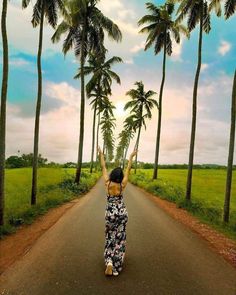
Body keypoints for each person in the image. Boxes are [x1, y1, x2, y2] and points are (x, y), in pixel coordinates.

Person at [98, 146, 137, 276]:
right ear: (120, 177)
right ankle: (116, 264)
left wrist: (101, 155)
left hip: (110, 213)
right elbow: (128, 170)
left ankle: (109, 262)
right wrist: (131, 157)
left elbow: (103, 168)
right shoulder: (122, 185)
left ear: (112, 175)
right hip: (122, 213)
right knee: (119, 238)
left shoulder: (107, 183)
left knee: (110, 236)